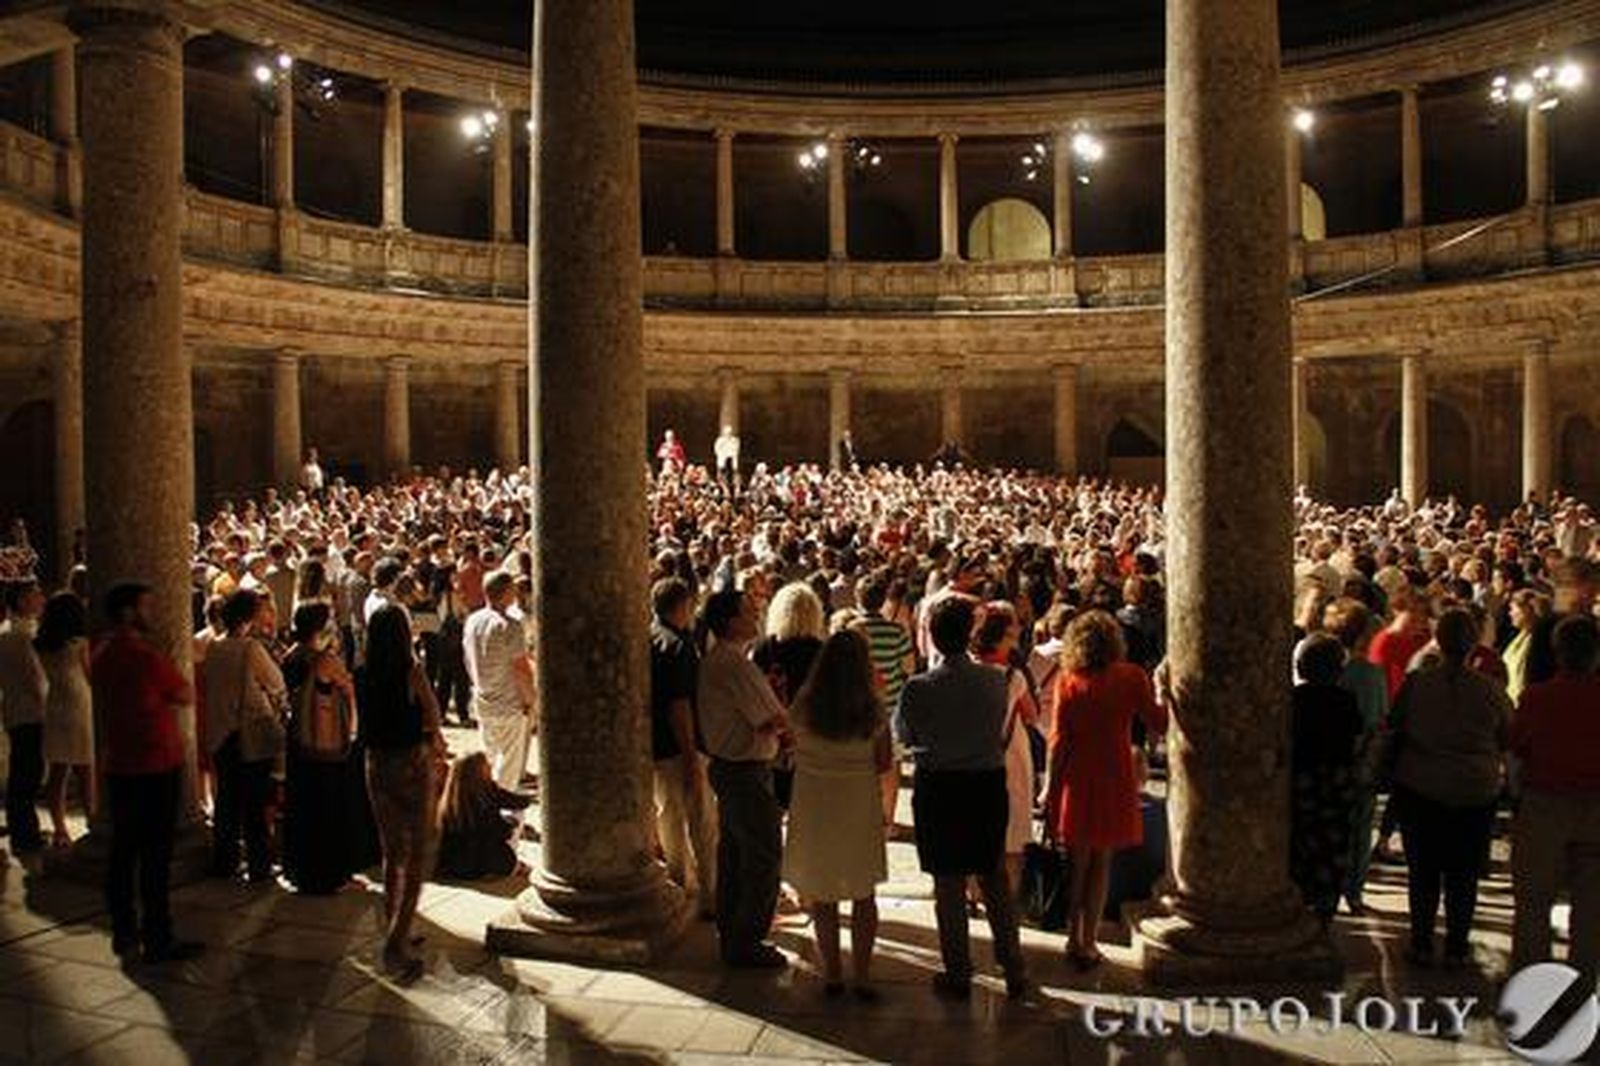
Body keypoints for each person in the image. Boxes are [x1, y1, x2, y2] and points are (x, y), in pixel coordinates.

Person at [895, 595, 1029, 999]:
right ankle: (1013, 966)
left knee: (948, 885)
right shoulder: (997, 680)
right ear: (970, 634)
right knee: (994, 879)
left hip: (939, 788)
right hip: (986, 786)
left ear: (933, 638)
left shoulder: (918, 688)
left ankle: (957, 970)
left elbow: (906, 736)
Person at [1042, 609, 1165, 970]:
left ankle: (1071, 937)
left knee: (1077, 863)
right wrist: (1169, 690)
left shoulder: (1069, 680)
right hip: (1114, 774)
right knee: (1102, 862)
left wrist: (1051, 784)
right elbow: (1157, 721)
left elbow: (1058, 740)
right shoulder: (1132, 677)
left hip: (1078, 775)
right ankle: (1090, 941)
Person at [1388, 607, 1511, 966]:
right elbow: (1507, 734)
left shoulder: (1417, 684)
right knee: (1464, 872)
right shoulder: (1490, 690)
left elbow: (1395, 723)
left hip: (1420, 785)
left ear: (1438, 641)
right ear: (1473, 644)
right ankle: (1457, 946)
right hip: (1474, 790)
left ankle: (1422, 942)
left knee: (1423, 869)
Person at [92, 582, 202, 963]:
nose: (151, 614)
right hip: (155, 763)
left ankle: (124, 930)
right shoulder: (142, 656)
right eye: (146, 607)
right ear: (128, 612)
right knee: (155, 855)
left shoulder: (102, 652)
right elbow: (184, 693)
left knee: (123, 851)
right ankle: (159, 935)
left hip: (120, 762)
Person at [783, 628, 890, 998]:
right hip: (857, 802)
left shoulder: (804, 702)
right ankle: (861, 975)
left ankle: (832, 973)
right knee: (864, 893)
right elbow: (884, 761)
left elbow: (791, 739)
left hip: (815, 802)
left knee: (823, 891)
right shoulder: (873, 707)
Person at [697, 589, 790, 969]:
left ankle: (733, 933)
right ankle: (747, 941)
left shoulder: (723, 661)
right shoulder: (733, 665)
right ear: (732, 621)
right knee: (763, 856)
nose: (757, 614)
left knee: (735, 854)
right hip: (745, 772)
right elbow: (772, 720)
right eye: (749, 611)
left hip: (732, 769)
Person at [1511, 615, 1600, 981]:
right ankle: (1580, 987)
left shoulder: (1537, 697)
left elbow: (1516, 750)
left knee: (1534, 901)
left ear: (1558, 653)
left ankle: (1531, 985)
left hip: (1545, 802)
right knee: (1591, 908)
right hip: (1596, 806)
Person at [363, 603, 447, 982]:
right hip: (411, 761)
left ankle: (394, 924)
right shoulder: (411, 671)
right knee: (418, 851)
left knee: (391, 848)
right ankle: (396, 939)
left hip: (376, 763)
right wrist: (438, 745)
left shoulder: (362, 672)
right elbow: (432, 714)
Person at [203, 589, 287, 883]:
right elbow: (276, 682)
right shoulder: (250, 649)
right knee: (255, 803)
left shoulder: (213, 647)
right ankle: (259, 866)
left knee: (226, 800)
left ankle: (224, 862)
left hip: (221, 732)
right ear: (249, 616)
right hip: (249, 731)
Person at [280, 603, 361, 894]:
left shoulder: (289, 656)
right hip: (325, 743)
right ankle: (328, 873)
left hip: (298, 741)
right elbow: (349, 691)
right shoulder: (325, 660)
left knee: (302, 806)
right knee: (328, 808)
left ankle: (299, 869)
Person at [649, 578, 717, 919]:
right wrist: (691, 755)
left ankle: (679, 884)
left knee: (669, 818)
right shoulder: (679, 645)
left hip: (656, 747)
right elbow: (680, 704)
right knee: (701, 821)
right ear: (682, 606)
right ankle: (710, 895)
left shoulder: (649, 638)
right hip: (680, 747)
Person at [1289, 633, 1365, 925]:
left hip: (1302, 780)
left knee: (1298, 841)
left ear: (1300, 666)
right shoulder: (1346, 700)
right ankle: (1325, 908)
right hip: (1337, 781)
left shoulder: (1293, 700)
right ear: (1339, 670)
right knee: (1333, 847)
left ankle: (1297, 900)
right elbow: (1357, 737)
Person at [1323, 597, 1389, 914]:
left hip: (1328, 761)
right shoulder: (1371, 674)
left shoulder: (1328, 669)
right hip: (1361, 762)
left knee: (1329, 824)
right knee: (1360, 829)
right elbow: (1378, 718)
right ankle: (1354, 890)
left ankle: (1326, 887)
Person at [971, 601, 1038, 898]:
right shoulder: (1014, 677)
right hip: (1009, 755)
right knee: (1011, 830)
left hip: (974, 756)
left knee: (976, 822)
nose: (1015, 641)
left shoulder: (968, 671)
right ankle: (1006, 893)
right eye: (1011, 636)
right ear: (999, 639)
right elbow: (1032, 716)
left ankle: (974, 891)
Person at [752, 582, 826, 809]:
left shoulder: (767, 648)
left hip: (776, 732)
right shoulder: (822, 650)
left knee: (775, 799)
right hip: (811, 732)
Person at [463, 570, 536, 790]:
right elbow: (520, 667)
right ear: (506, 592)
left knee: (493, 758)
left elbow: (466, 658)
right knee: (509, 768)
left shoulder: (473, 621)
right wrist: (530, 699)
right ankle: (505, 816)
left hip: (483, 697)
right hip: (509, 702)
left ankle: (492, 810)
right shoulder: (510, 625)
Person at [858, 573, 916, 829]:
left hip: (858, 707)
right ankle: (888, 821)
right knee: (891, 765)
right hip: (890, 707)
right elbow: (909, 667)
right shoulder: (896, 632)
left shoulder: (852, 630)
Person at [37, 592, 94, 847]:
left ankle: (60, 829)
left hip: (55, 703)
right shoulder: (80, 643)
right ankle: (93, 821)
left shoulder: (42, 644)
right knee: (86, 768)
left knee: (58, 771)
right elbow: (90, 675)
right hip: (79, 701)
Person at [0, 580, 48, 854]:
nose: (41, 599)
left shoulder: (6, 633)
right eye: (35, 595)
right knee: (27, 774)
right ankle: (25, 833)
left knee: (24, 772)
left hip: (16, 710)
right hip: (31, 712)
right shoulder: (21, 636)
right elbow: (36, 677)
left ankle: (23, 828)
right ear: (21, 601)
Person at [436, 752, 531, 880]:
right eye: (487, 764)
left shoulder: (447, 801)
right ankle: (517, 867)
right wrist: (510, 824)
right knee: (516, 815)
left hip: (455, 866)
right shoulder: (486, 795)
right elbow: (502, 830)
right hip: (483, 865)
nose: (491, 766)